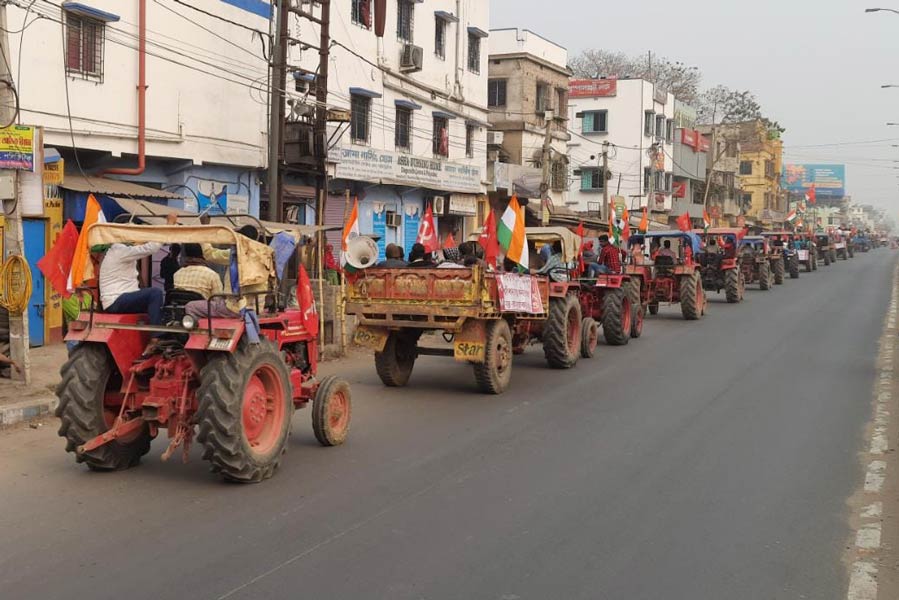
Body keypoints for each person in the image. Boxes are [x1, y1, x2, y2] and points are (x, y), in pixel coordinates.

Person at [187, 225, 269, 319]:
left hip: (234, 309)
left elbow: (209, 254)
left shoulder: (234, 255)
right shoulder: (265, 257)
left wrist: (204, 233)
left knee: (191, 306)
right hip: (257, 309)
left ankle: (196, 331)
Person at [98, 241, 164, 325]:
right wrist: (162, 238)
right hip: (116, 300)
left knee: (155, 307)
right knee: (155, 293)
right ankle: (156, 335)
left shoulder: (117, 251)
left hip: (117, 300)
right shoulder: (120, 251)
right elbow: (149, 248)